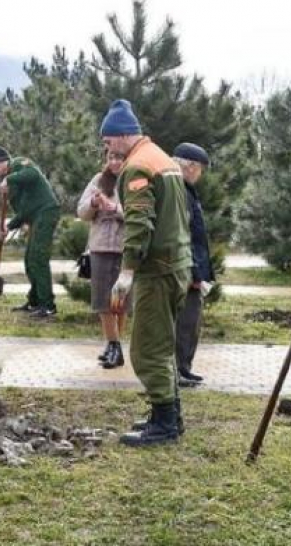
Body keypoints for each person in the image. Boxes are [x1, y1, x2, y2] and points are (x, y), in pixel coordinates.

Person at [101, 99, 192, 447]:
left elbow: (139, 224)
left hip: (158, 271)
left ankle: (165, 425)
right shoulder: (163, 159)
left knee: (146, 349)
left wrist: (126, 272)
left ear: (123, 136)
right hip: (178, 265)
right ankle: (167, 414)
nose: (107, 148)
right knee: (163, 343)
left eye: (108, 141)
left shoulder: (137, 167)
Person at [0, 147, 60, 319]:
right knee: (29, 260)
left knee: (38, 257)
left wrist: (9, 178)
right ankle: (35, 301)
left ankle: (48, 305)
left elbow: (34, 174)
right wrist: (9, 227)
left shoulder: (18, 164)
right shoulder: (12, 187)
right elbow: (23, 212)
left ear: (1, 162)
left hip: (46, 211)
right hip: (34, 217)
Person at [77, 150, 130, 369]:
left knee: (120, 301)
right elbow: (81, 212)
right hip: (99, 247)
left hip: (123, 248)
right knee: (102, 301)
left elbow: (139, 214)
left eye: (119, 158)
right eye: (111, 158)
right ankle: (113, 344)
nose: (115, 162)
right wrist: (94, 203)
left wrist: (116, 209)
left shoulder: (132, 181)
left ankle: (114, 346)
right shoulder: (99, 180)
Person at [172, 142, 213, 387]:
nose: (201, 175)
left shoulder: (187, 190)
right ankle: (177, 370)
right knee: (184, 322)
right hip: (186, 269)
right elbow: (184, 234)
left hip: (192, 267)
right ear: (190, 167)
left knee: (192, 321)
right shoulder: (181, 192)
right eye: (201, 169)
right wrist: (194, 271)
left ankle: (184, 367)